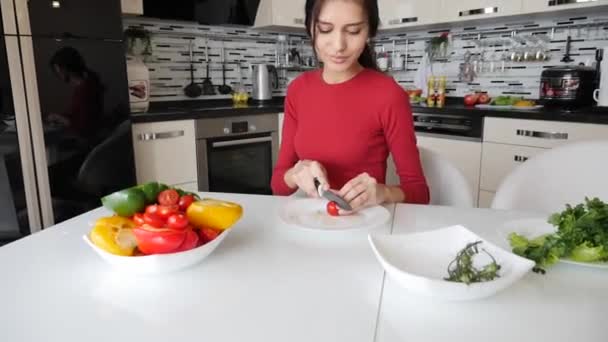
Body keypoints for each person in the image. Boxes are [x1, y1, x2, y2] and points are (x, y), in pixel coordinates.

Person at [271, 0, 429, 211]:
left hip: (366, 227)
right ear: (310, 28)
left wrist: (384, 192)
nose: (339, 46)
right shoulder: (298, 90)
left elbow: (419, 192)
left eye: (353, 31)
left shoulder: (389, 95)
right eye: (325, 30)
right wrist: (295, 173)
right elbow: (278, 187)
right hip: (311, 223)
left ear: (369, 32)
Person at [47, 46, 105, 142]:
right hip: (82, 136)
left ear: (66, 68)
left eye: (58, 69)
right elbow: (77, 114)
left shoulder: (86, 89)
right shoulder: (87, 82)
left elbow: (83, 126)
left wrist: (60, 118)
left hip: (84, 140)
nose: (58, 73)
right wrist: (60, 117)